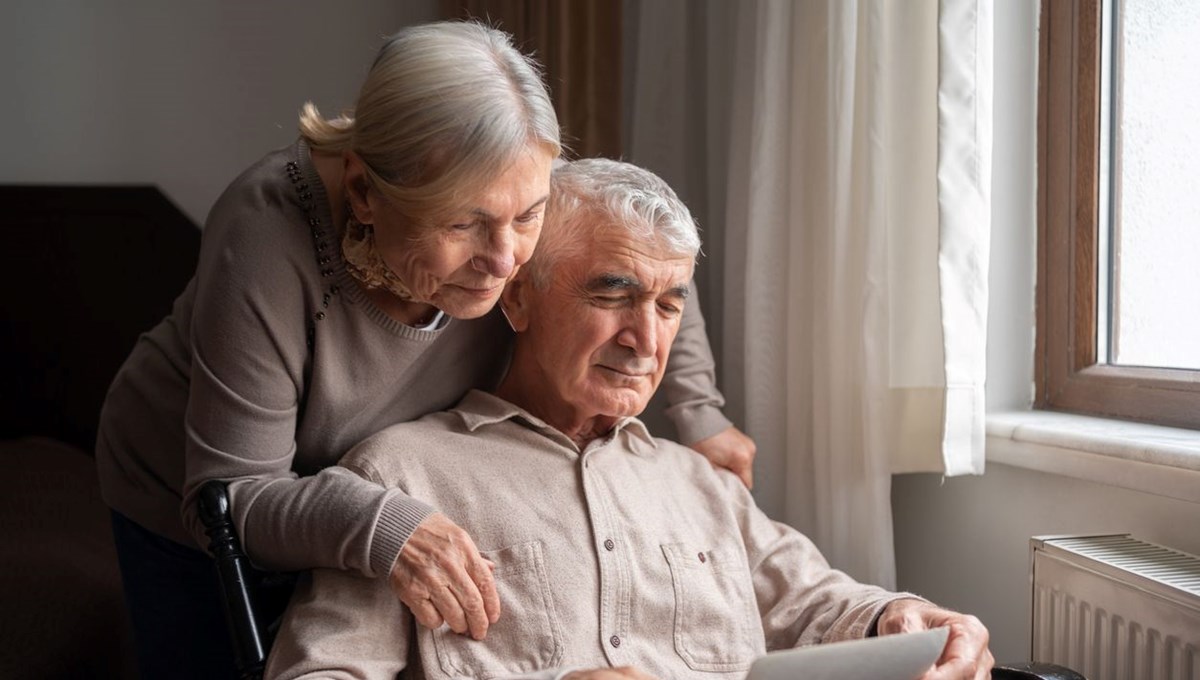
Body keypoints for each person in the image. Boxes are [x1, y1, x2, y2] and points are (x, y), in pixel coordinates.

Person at [94, 22, 753, 679]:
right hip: (201, 500)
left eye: (528, 217)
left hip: (367, 478)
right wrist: (384, 523)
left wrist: (701, 416)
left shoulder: (511, 178)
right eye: (463, 223)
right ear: (363, 193)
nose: (503, 263)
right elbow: (236, 495)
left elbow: (641, 257)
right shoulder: (267, 234)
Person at [265, 159, 993, 680]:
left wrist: (907, 618)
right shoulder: (399, 477)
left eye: (668, 304)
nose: (646, 342)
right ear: (516, 300)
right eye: (612, 296)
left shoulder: (699, 485)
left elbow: (814, 600)